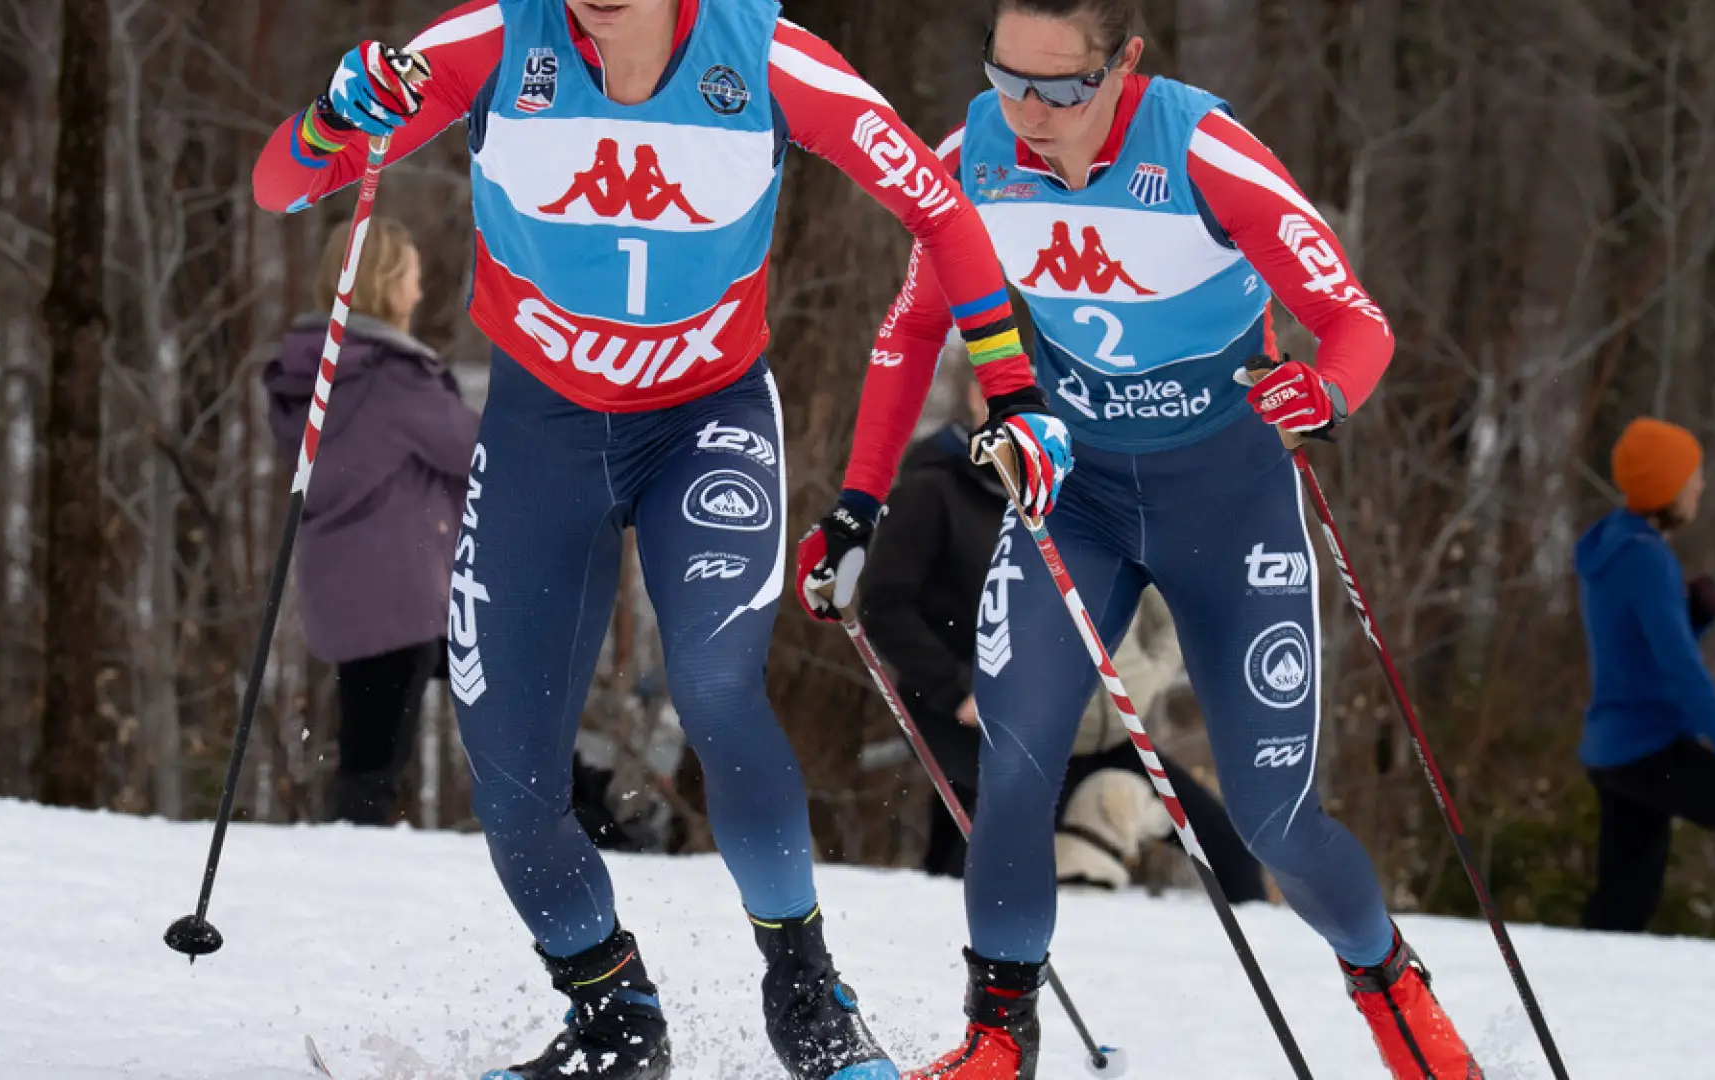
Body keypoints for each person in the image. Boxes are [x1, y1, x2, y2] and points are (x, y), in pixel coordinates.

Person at [251, 3, 1070, 1078]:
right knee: (508, 771)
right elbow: (282, 183)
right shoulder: (491, 43)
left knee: (716, 688)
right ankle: (612, 1016)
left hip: (704, 420)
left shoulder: (764, 55)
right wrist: (333, 117)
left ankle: (807, 995)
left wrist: (1013, 390)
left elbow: (942, 210)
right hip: (546, 430)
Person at [848, 1, 1485, 1076]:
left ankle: (1391, 988)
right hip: (1079, 497)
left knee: (1275, 818)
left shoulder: (1202, 152)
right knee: (1016, 762)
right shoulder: (973, 156)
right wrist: (859, 502)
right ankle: (997, 1039)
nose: (1030, 111)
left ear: (1124, 64)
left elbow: (1357, 323)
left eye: (1062, 87)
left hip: (1228, 504)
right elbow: (913, 327)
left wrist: (1323, 391)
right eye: (1007, 78)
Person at [858, 365, 1265, 903]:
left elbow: (1150, 594)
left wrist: (1149, 672)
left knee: (1229, 855)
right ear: (980, 397)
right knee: (987, 853)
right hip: (975, 719)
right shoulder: (935, 490)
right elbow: (884, 606)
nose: (1037, 411)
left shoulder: (1076, 494)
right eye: (1017, 394)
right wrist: (957, 687)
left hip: (1089, 731)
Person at [263, 217, 478, 827]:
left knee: (369, 747)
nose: (419, 290)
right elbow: (476, 449)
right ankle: (578, 812)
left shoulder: (312, 376)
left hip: (344, 590)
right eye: (410, 276)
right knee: (379, 766)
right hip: (405, 593)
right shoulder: (392, 379)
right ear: (385, 283)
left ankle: (582, 799)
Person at [1576, 418, 1715, 943]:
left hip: (1612, 748)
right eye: (1693, 476)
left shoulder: (1610, 544)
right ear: (1668, 487)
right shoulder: (1648, 559)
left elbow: (1633, 648)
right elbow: (1682, 669)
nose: (1701, 485)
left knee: (1625, 903)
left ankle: (1588, 982)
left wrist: (1693, 618)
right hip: (1649, 748)